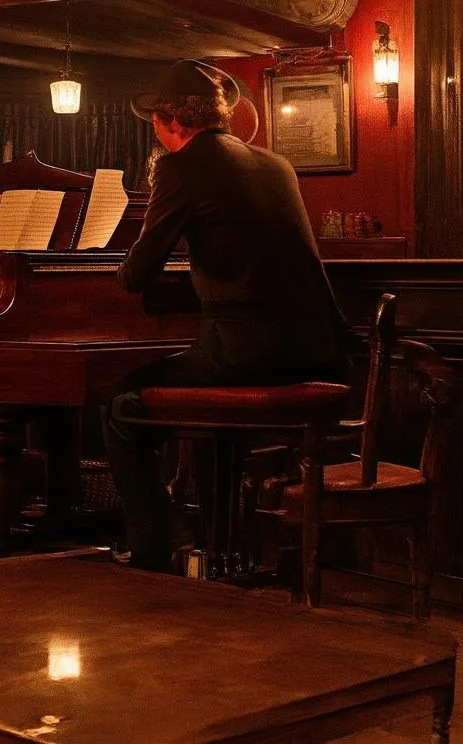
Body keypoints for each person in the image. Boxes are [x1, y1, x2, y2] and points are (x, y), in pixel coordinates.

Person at [104, 59, 350, 571]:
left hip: (246, 356)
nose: (153, 127)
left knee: (121, 405)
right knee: (180, 398)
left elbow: (137, 274)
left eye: (154, 118)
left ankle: (156, 542)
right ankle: (214, 536)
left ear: (172, 119)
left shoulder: (182, 166)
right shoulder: (274, 163)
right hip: (316, 350)